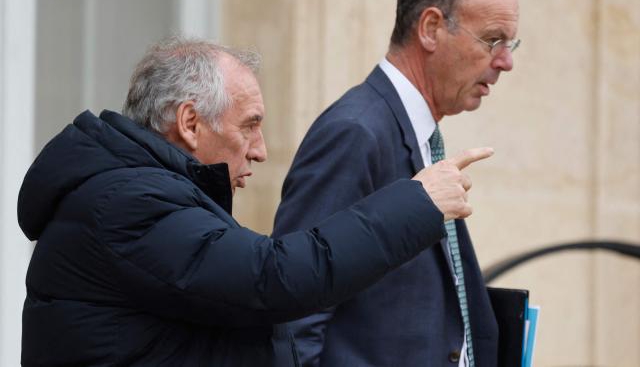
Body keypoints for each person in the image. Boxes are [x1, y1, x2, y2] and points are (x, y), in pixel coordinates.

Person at [18, 37, 492, 366]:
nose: (261, 150)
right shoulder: (127, 202)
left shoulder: (134, 191)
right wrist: (418, 202)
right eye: (249, 125)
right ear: (189, 123)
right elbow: (271, 279)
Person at [272, 0, 520, 367]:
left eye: (511, 44)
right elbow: (294, 305)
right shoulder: (356, 131)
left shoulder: (415, 130)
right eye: (493, 40)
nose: (506, 62)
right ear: (431, 28)